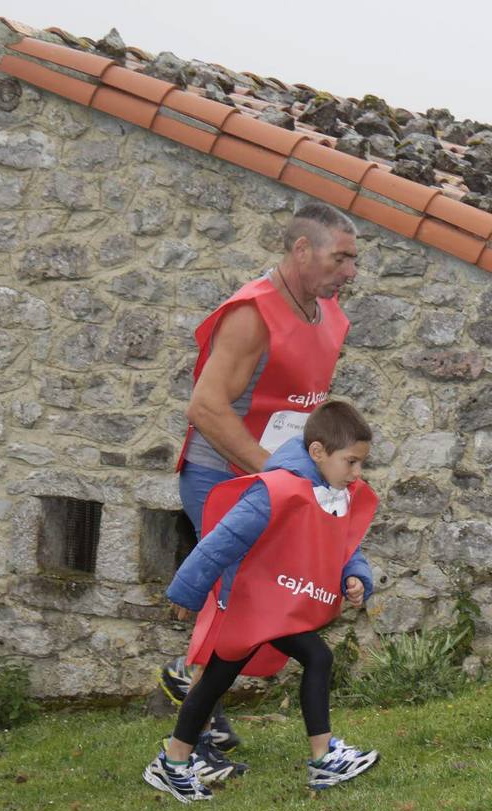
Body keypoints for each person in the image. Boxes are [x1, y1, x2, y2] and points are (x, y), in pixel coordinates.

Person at [159, 201, 360, 763]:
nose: (350, 272)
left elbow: (302, 408)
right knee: (244, 599)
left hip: (280, 482)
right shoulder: (252, 313)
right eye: (340, 258)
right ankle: (189, 744)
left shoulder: (329, 312)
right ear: (301, 251)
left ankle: (191, 686)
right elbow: (206, 406)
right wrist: (277, 474)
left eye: (354, 260)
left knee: (260, 598)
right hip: (222, 478)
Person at [144, 400, 379, 802]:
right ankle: (174, 762)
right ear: (318, 452)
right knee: (217, 677)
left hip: (279, 604)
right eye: (351, 462)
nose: (357, 474)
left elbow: (342, 542)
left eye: (361, 465)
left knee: (315, 658)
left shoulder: (333, 491)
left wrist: (355, 576)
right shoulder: (276, 491)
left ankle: (323, 759)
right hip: (248, 602)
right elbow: (221, 540)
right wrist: (188, 590)